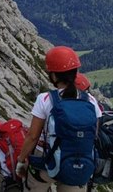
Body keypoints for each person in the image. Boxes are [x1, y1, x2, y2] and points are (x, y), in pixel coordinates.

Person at [15, 46, 102, 192]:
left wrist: (21, 160)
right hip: (77, 162)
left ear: (54, 76)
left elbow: (32, 136)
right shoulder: (91, 101)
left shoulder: (45, 99)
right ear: (75, 72)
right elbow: (94, 133)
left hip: (45, 161)